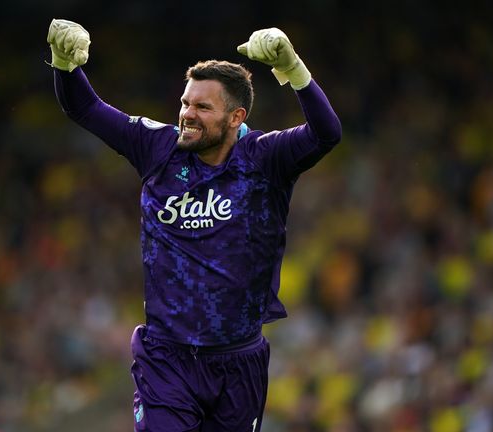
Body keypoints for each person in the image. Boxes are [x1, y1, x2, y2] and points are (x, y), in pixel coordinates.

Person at [46, 19, 341, 432]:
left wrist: (294, 70)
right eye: (186, 103)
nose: (187, 114)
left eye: (203, 107)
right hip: (167, 360)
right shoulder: (158, 147)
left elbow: (326, 133)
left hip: (239, 362)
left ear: (236, 116)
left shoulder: (264, 158)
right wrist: (64, 64)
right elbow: (85, 108)